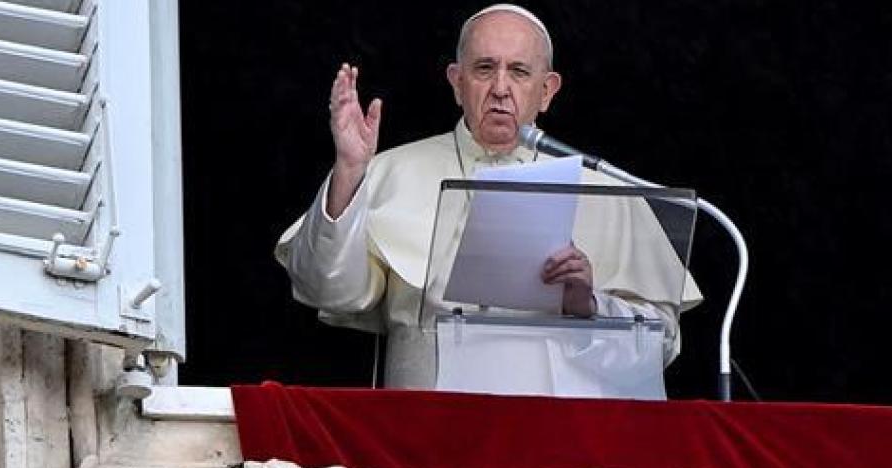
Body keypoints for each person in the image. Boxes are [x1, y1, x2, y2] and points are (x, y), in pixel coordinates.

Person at [275, 4, 701, 390]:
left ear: (548, 90)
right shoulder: (389, 171)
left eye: (518, 71)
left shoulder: (607, 189)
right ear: (457, 83)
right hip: (429, 442)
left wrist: (588, 305)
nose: (500, 87)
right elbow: (325, 290)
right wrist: (349, 169)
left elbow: (659, 345)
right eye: (484, 69)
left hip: (564, 448)